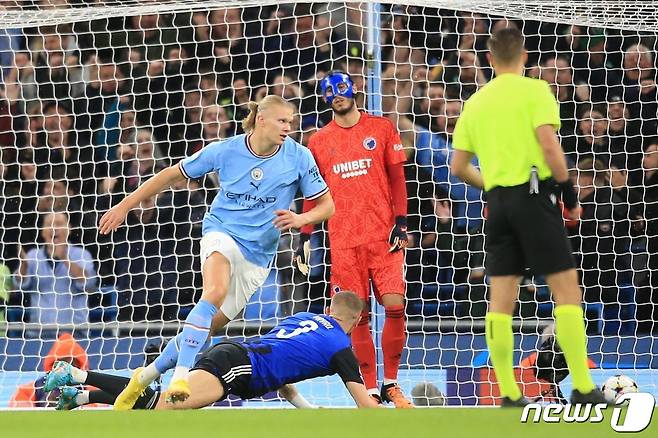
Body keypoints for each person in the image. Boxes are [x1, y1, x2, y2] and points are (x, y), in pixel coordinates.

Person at [99, 95, 335, 407]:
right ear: (261, 120)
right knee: (214, 291)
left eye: (290, 122)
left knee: (206, 327)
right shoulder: (226, 150)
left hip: (258, 256)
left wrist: (301, 218)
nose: (287, 127)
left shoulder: (299, 157)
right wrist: (125, 204)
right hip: (221, 232)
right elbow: (171, 174)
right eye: (281, 121)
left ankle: (143, 377)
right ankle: (179, 375)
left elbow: (328, 205)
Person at [449, 27, 607, 406]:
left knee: (500, 302)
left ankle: (508, 392)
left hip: (498, 205)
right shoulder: (536, 90)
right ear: (524, 57)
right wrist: (569, 196)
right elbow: (550, 147)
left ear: (489, 59)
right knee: (566, 292)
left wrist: (491, 186)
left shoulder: (476, 102)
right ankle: (584, 388)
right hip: (535, 196)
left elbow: (458, 167)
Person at [44, 291, 380, 410]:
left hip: (233, 353)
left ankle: (82, 396)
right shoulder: (341, 346)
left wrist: (307, 409)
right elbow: (365, 405)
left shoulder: (303, 318)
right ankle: (76, 375)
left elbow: (282, 374)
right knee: (163, 405)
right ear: (359, 318)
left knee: (159, 399)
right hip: (237, 367)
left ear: (329, 307)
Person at [297, 71, 412, 407]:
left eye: (341, 88)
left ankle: (392, 382)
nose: (337, 94)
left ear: (355, 89)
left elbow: (398, 178)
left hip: (383, 236)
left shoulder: (381, 128)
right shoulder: (318, 141)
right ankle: (372, 389)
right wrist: (305, 233)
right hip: (343, 240)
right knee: (356, 315)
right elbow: (312, 192)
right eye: (329, 91)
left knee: (395, 305)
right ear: (323, 98)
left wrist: (401, 222)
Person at [13, 211, 98, 327]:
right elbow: (19, 286)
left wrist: (64, 258)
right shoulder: (33, 255)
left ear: (69, 228)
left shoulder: (82, 254)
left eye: (59, 224)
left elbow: (89, 284)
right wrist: (24, 265)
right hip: (39, 332)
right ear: (42, 231)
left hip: (74, 332)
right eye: (50, 224)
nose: (54, 228)